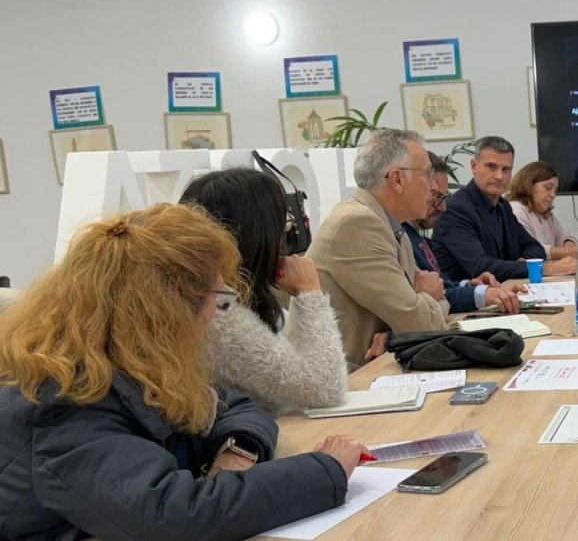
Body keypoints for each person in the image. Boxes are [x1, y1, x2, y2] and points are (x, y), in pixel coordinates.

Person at [0, 204, 368, 540]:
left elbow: (234, 405)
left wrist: (237, 450)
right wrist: (325, 470)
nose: (215, 316)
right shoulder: (64, 396)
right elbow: (173, 516)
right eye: (217, 300)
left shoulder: (130, 361)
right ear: (165, 311)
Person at [178, 168, 348, 416]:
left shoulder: (211, 298)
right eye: (283, 221)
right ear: (257, 233)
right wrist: (309, 294)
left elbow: (295, 366)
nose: (288, 230)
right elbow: (325, 389)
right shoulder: (216, 316)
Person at [307, 129, 451, 368]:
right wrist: (423, 300)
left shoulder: (390, 223)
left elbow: (435, 304)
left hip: (378, 365)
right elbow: (422, 324)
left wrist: (414, 311)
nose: (433, 185)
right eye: (428, 175)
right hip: (348, 379)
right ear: (397, 179)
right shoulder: (357, 224)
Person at [433, 136, 577, 282]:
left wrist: (521, 263)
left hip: (504, 292)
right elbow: (480, 267)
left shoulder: (503, 206)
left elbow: (534, 247)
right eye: (491, 167)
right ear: (474, 166)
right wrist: (544, 268)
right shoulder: (457, 208)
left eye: (506, 169)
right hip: (469, 300)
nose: (499, 176)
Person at [403, 153, 521, 315]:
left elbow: (440, 285)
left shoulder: (414, 236)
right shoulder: (400, 237)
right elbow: (432, 297)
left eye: (444, 197)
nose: (443, 207)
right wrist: (482, 294)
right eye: (436, 197)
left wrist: (468, 286)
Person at [509, 160, 578, 260]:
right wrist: (567, 252)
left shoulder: (546, 214)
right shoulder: (516, 210)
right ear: (529, 184)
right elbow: (529, 249)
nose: (553, 195)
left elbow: (563, 236)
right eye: (548, 187)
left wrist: (569, 246)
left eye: (555, 190)